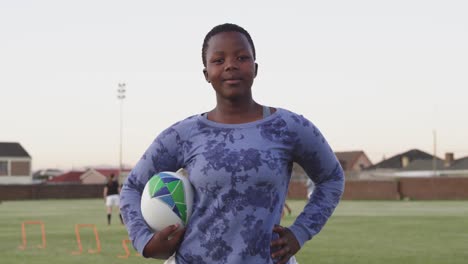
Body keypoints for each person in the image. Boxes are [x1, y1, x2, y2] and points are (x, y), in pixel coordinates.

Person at [120, 23, 345, 264]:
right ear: (206, 73)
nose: (230, 65)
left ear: (255, 68)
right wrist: (144, 240)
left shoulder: (288, 127)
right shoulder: (183, 134)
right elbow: (132, 187)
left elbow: (331, 178)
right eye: (218, 60)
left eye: (241, 57)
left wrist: (300, 233)